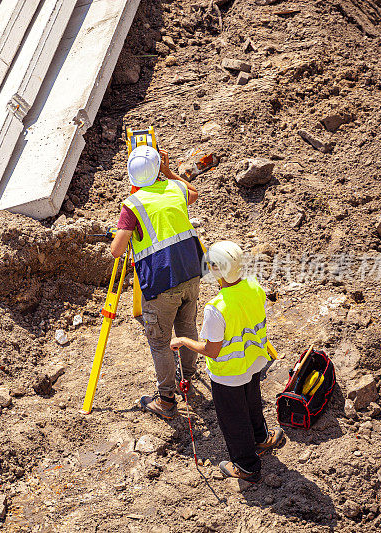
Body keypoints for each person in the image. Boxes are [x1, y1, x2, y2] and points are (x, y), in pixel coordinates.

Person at [170, 241, 284, 483]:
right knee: (252, 404)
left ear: (215, 270)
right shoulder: (254, 287)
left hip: (228, 373)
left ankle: (247, 466)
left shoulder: (217, 308)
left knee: (234, 419)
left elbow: (211, 350)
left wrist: (183, 341)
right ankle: (262, 438)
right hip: (253, 363)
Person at [110, 145, 203, 420]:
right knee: (186, 327)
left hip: (162, 283)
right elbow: (194, 194)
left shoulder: (132, 205)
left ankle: (166, 400)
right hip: (191, 270)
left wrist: (122, 232)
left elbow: (117, 251)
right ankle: (187, 378)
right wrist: (169, 171)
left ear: (131, 177)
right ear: (158, 169)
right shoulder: (175, 189)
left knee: (160, 344)